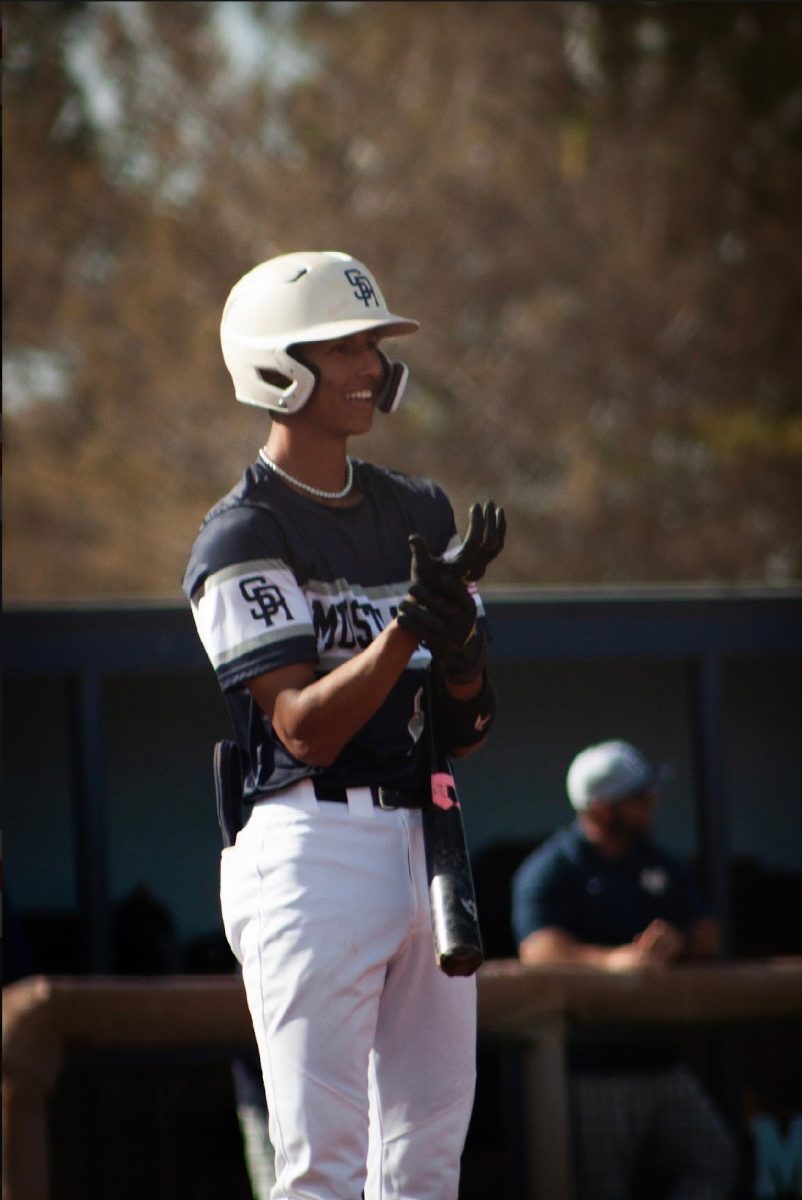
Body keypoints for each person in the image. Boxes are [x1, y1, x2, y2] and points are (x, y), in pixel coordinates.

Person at [182, 251, 505, 1200]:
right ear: (276, 365)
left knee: (425, 1162)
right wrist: (411, 620)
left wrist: (461, 652)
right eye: (344, 345)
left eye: (374, 344)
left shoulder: (417, 506)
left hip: (427, 832)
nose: (371, 364)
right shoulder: (239, 534)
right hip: (308, 844)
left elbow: (471, 727)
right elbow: (302, 729)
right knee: (323, 1164)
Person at [511, 739, 738, 1200]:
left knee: (716, 1163)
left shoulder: (656, 859)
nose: (652, 801)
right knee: (601, 1189)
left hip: (662, 1058)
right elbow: (540, 951)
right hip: (594, 1065)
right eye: (638, 796)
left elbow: (709, 931)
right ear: (602, 808)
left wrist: (680, 942)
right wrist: (616, 961)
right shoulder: (552, 868)